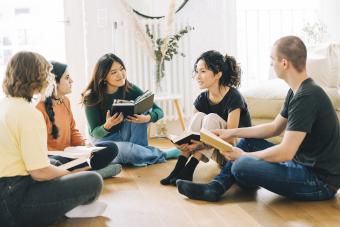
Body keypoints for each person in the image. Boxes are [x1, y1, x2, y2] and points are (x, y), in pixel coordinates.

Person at [176, 36, 340, 202]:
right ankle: (216, 187)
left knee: (241, 164)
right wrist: (230, 132)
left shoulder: (307, 96)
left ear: (284, 63)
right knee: (247, 142)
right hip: (300, 164)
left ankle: (238, 177)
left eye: (272, 59)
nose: (270, 64)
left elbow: (285, 152)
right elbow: (274, 127)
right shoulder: (296, 91)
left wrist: (245, 156)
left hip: (319, 181)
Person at [0, 51, 105, 226]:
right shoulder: (29, 114)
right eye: (47, 73)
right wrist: (70, 174)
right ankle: (69, 207)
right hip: (13, 200)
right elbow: (40, 173)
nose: (49, 78)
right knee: (93, 180)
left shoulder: (5, 104)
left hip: (9, 189)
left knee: (55, 164)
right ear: (36, 76)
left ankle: (65, 204)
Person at [160, 50, 251, 185]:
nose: (197, 76)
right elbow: (190, 133)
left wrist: (201, 144)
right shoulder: (202, 99)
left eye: (202, 71)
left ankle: (189, 170)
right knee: (199, 117)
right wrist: (184, 142)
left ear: (218, 74)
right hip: (213, 149)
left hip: (233, 152)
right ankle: (179, 168)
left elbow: (231, 138)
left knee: (211, 118)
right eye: (197, 72)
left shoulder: (234, 97)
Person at [82, 53, 179, 167]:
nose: (121, 74)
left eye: (122, 69)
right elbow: (95, 133)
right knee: (123, 150)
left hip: (125, 135)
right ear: (103, 77)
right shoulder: (91, 97)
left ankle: (139, 155)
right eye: (114, 72)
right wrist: (107, 125)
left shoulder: (129, 88)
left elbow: (159, 111)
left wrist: (147, 118)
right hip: (103, 140)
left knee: (142, 108)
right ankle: (160, 154)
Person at [36, 61, 122, 179]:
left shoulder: (65, 101)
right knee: (56, 163)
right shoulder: (38, 108)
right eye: (67, 78)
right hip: (54, 157)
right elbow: (39, 148)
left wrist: (85, 143)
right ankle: (95, 172)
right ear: (54, 82)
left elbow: (73, 130)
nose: (71, 81)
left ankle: (85, 172)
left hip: (72, 152)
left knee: (111, 148)